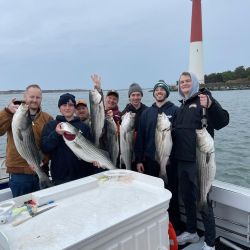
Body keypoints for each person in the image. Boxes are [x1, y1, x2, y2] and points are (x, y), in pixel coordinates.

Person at [173, 72, 229, 250]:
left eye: (188, 81)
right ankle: (191, 230)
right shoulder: (180, 107)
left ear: (195, 83)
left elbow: (222, 121)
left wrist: (211, 105)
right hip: (181, 161)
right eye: (182, 82)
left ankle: (210, 242)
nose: (184, 84)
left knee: (203, 201)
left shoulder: (204, 100)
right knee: (187, 198)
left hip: (199, 161)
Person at [0, 84, 53, 197]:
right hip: (20, 174)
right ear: (25, 97)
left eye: (38, 97)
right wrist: (7, 112)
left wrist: (44, 160)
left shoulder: (47, 118)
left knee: (45, 207)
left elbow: (51, 144)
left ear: (41, 99)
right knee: (24, 211)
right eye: (31, 97)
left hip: (41, 170)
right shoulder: (13, 115)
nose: (34, 100)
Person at [41, 93, 98, 185]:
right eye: (64, 105)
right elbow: (45, 147)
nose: (67, 108)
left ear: (74, 108)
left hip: (84, 176)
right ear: (59, 108)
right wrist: (56, 134)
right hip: (60, 177)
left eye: (71, 105)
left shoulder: (84, 127)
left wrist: (96, 164)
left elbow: (91, 148)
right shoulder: (51, 125)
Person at [135, 80, 178, 177]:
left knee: (171, 190)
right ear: (154, 93)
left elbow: (180, 136)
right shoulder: (146, 113)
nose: (159, 91)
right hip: (150, 161)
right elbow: (140, 138)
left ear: (167, 92)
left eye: (162, 89)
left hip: (169, 161)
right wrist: (139, 160)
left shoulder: (176, 110)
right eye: (157, 90)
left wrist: (171, 131)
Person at [121, 83, 148, 170]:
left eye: (138, 95)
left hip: (144, 154)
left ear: (141, 96)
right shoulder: (124, 113)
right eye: (133, 95)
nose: (136, 97)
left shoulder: (147, 111)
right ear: (129, 97)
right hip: (128, 151)